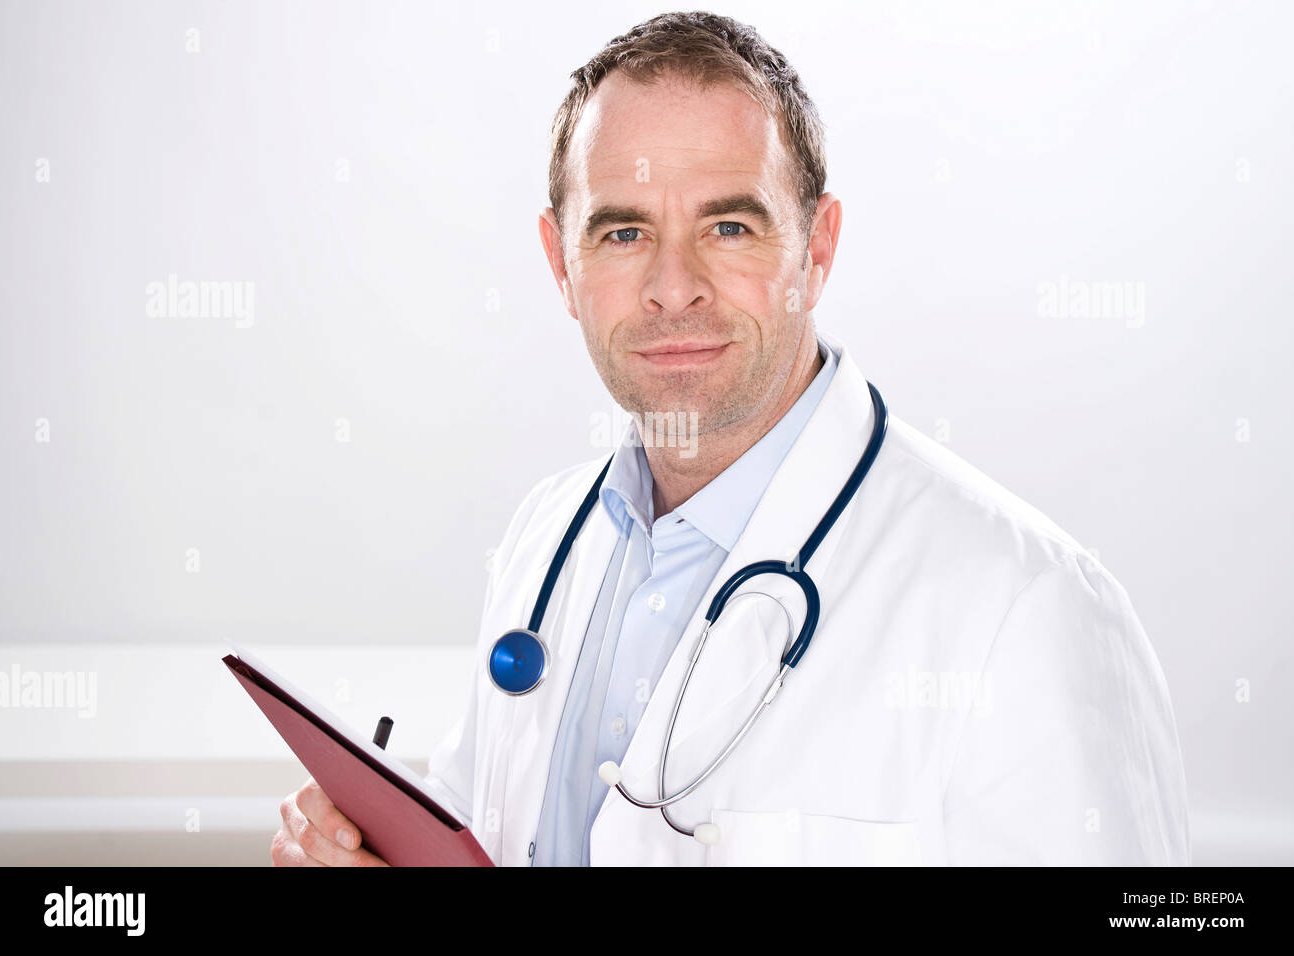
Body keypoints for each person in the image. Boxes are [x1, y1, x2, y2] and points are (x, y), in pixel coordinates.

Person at [273, 11, 1189, 867]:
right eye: (624, 232)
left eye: (729, 225)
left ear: (816, 249)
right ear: (562, 264)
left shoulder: (1027, 608)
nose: (676, 287)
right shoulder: (543, 542)